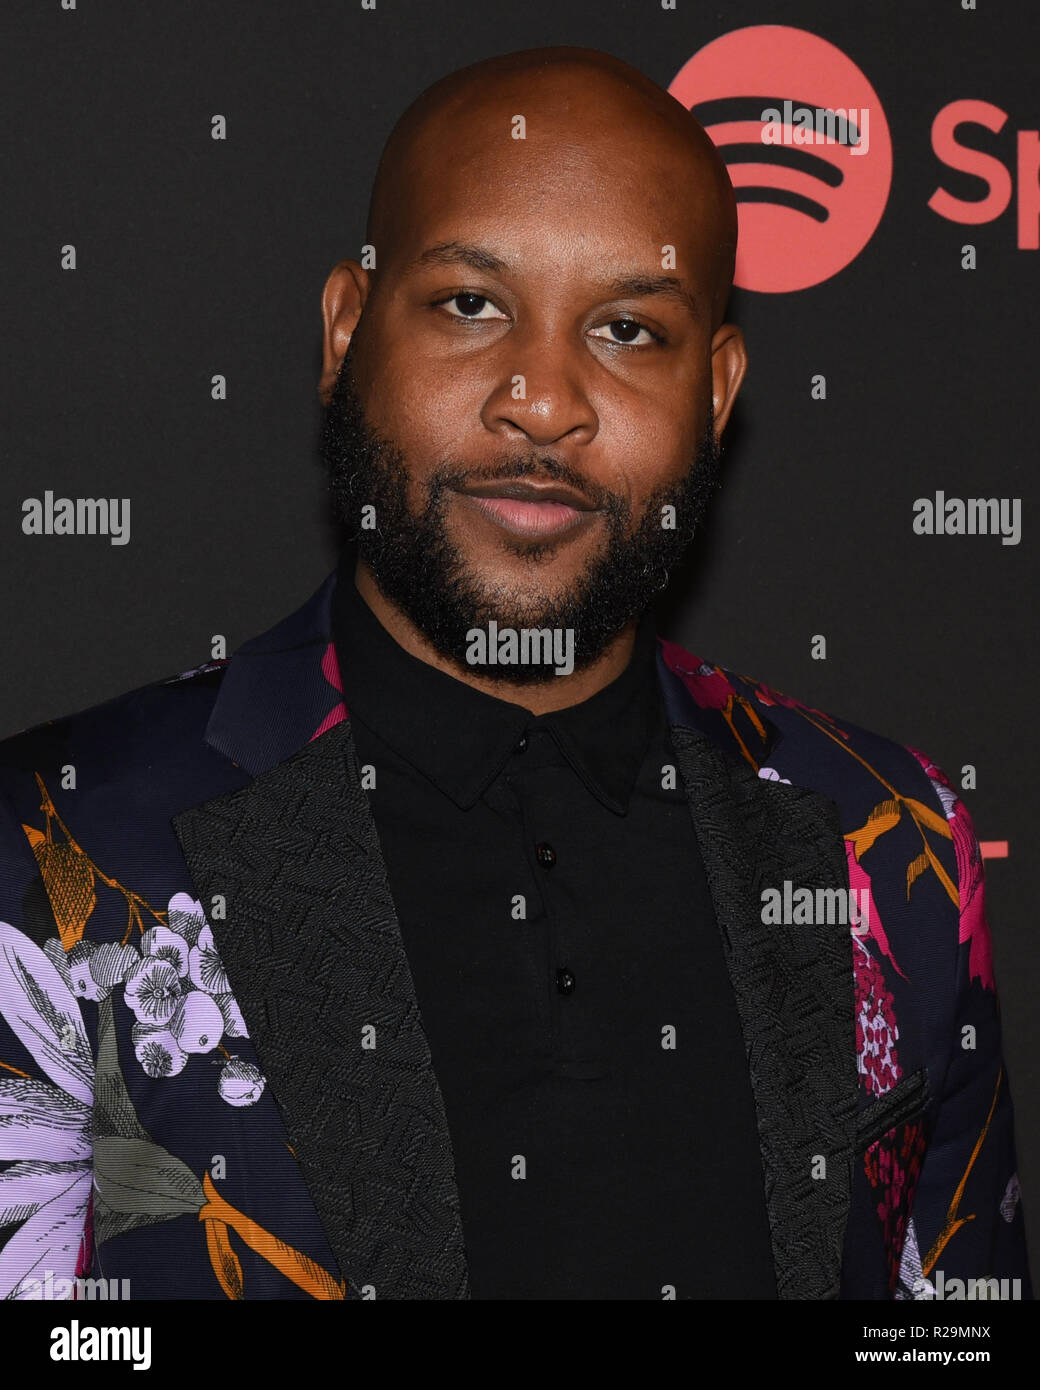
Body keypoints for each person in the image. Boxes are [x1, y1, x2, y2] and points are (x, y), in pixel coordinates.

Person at [0, 45, 1029, 1301]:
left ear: (713, 392)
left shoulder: (887, 842)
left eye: (626, 328)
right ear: (345, 330)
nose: (542, 400)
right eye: (470, 305)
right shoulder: (47, 844)